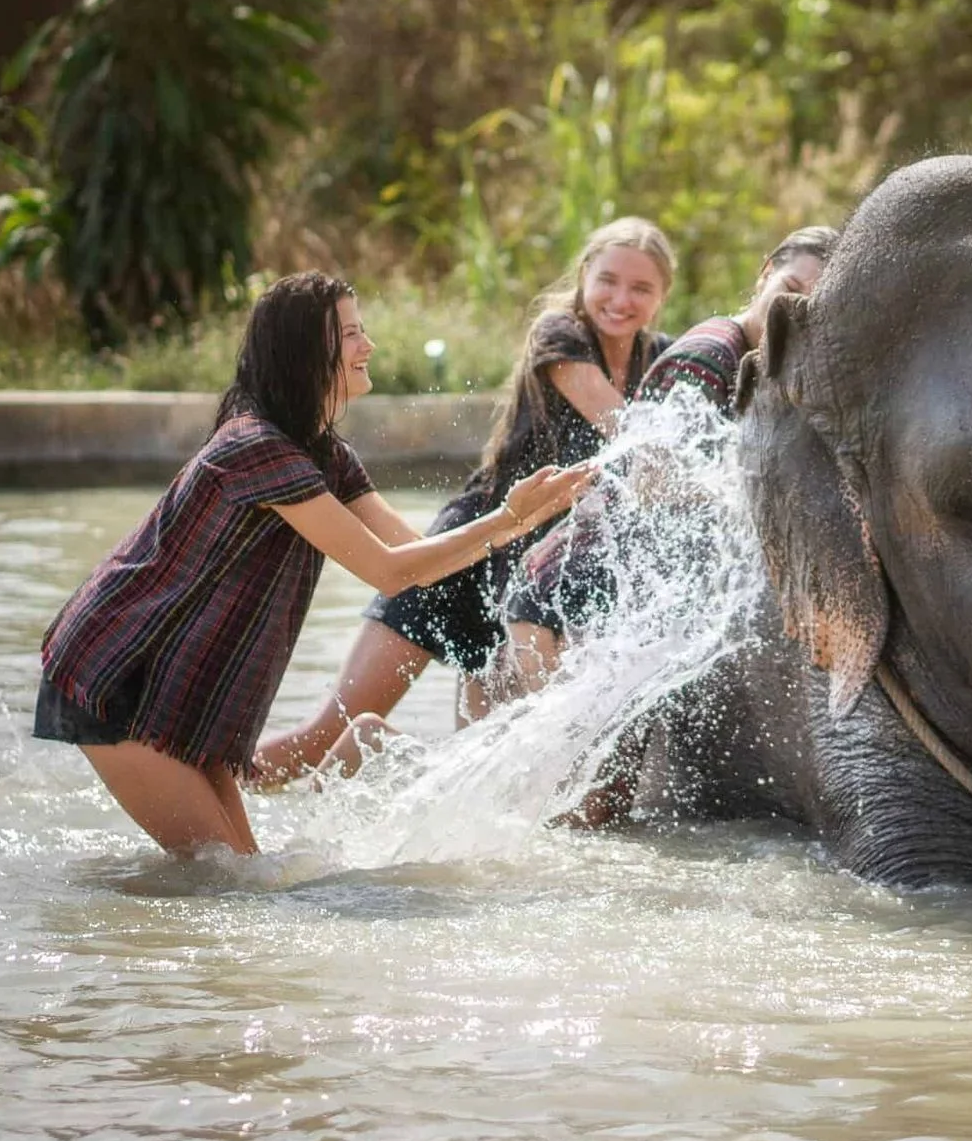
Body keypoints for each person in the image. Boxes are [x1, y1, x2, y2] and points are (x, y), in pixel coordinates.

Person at [31, 271, 589, 856]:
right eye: (350, 334)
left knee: (237, 874)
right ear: (305, 351)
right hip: (115, 677)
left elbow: (418, 563)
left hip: (171, 688)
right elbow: (390, 572)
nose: (367, 346)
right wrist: (506, 518)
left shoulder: (327, 455)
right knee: (223, 880)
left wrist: (522, 527)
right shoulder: (257, 447)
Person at [250, 218, 676, 784]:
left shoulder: (661, 360)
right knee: (327, 730)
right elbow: (618, 425)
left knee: (482, 763)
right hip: (466, 551)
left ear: (663, 295)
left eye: (641, 288)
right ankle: (217, 804)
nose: (621, 299)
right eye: (609, 280)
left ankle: (349, 784)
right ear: (583, 278)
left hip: (540, 577)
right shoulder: (560, 334)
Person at [504, 226, 840, 674]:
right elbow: (650, 479)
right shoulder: (707, 356)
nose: (793, 313)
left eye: (811, 308)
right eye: (790, 290)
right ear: (765, 275)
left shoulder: (763, 363)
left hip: (607, 580)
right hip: (565, 594)